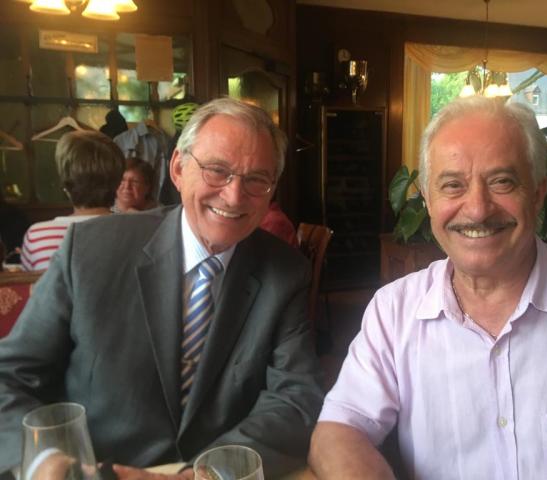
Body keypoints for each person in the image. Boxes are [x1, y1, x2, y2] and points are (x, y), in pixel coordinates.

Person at [308, 96, 547, 479]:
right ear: (427, 200)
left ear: (538, 193)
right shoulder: (394, 310)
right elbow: (340, 428)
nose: (478, 209)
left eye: (502, 182)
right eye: (453, 185)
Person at [0, 98, 324, 479]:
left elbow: (296, 398)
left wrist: (204, 473)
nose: (235, 196)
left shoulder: (285, 272)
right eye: (217, 171)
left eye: (256, 180)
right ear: (178, 169)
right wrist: (45, 462)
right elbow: (10, 376)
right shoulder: (89, 250)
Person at [20, 130, 124, 271]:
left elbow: (32, 284)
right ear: (118, 182)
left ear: (65, 184)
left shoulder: (37, 236)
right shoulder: (137, 233)